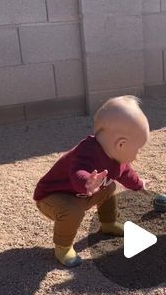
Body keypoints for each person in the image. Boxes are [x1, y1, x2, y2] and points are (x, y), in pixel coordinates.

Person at [34, 95, 149, 267]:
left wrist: (139, 185)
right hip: (52, 197)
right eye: (138, 149)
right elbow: (77, 171)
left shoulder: (117, 159)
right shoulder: (86, 151)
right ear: (121, 144)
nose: (138, 155)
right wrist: (87, 181)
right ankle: (63, 247)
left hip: (82, 193)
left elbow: (126, 173)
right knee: (72, 211)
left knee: (109, 188)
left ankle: (108, 223)